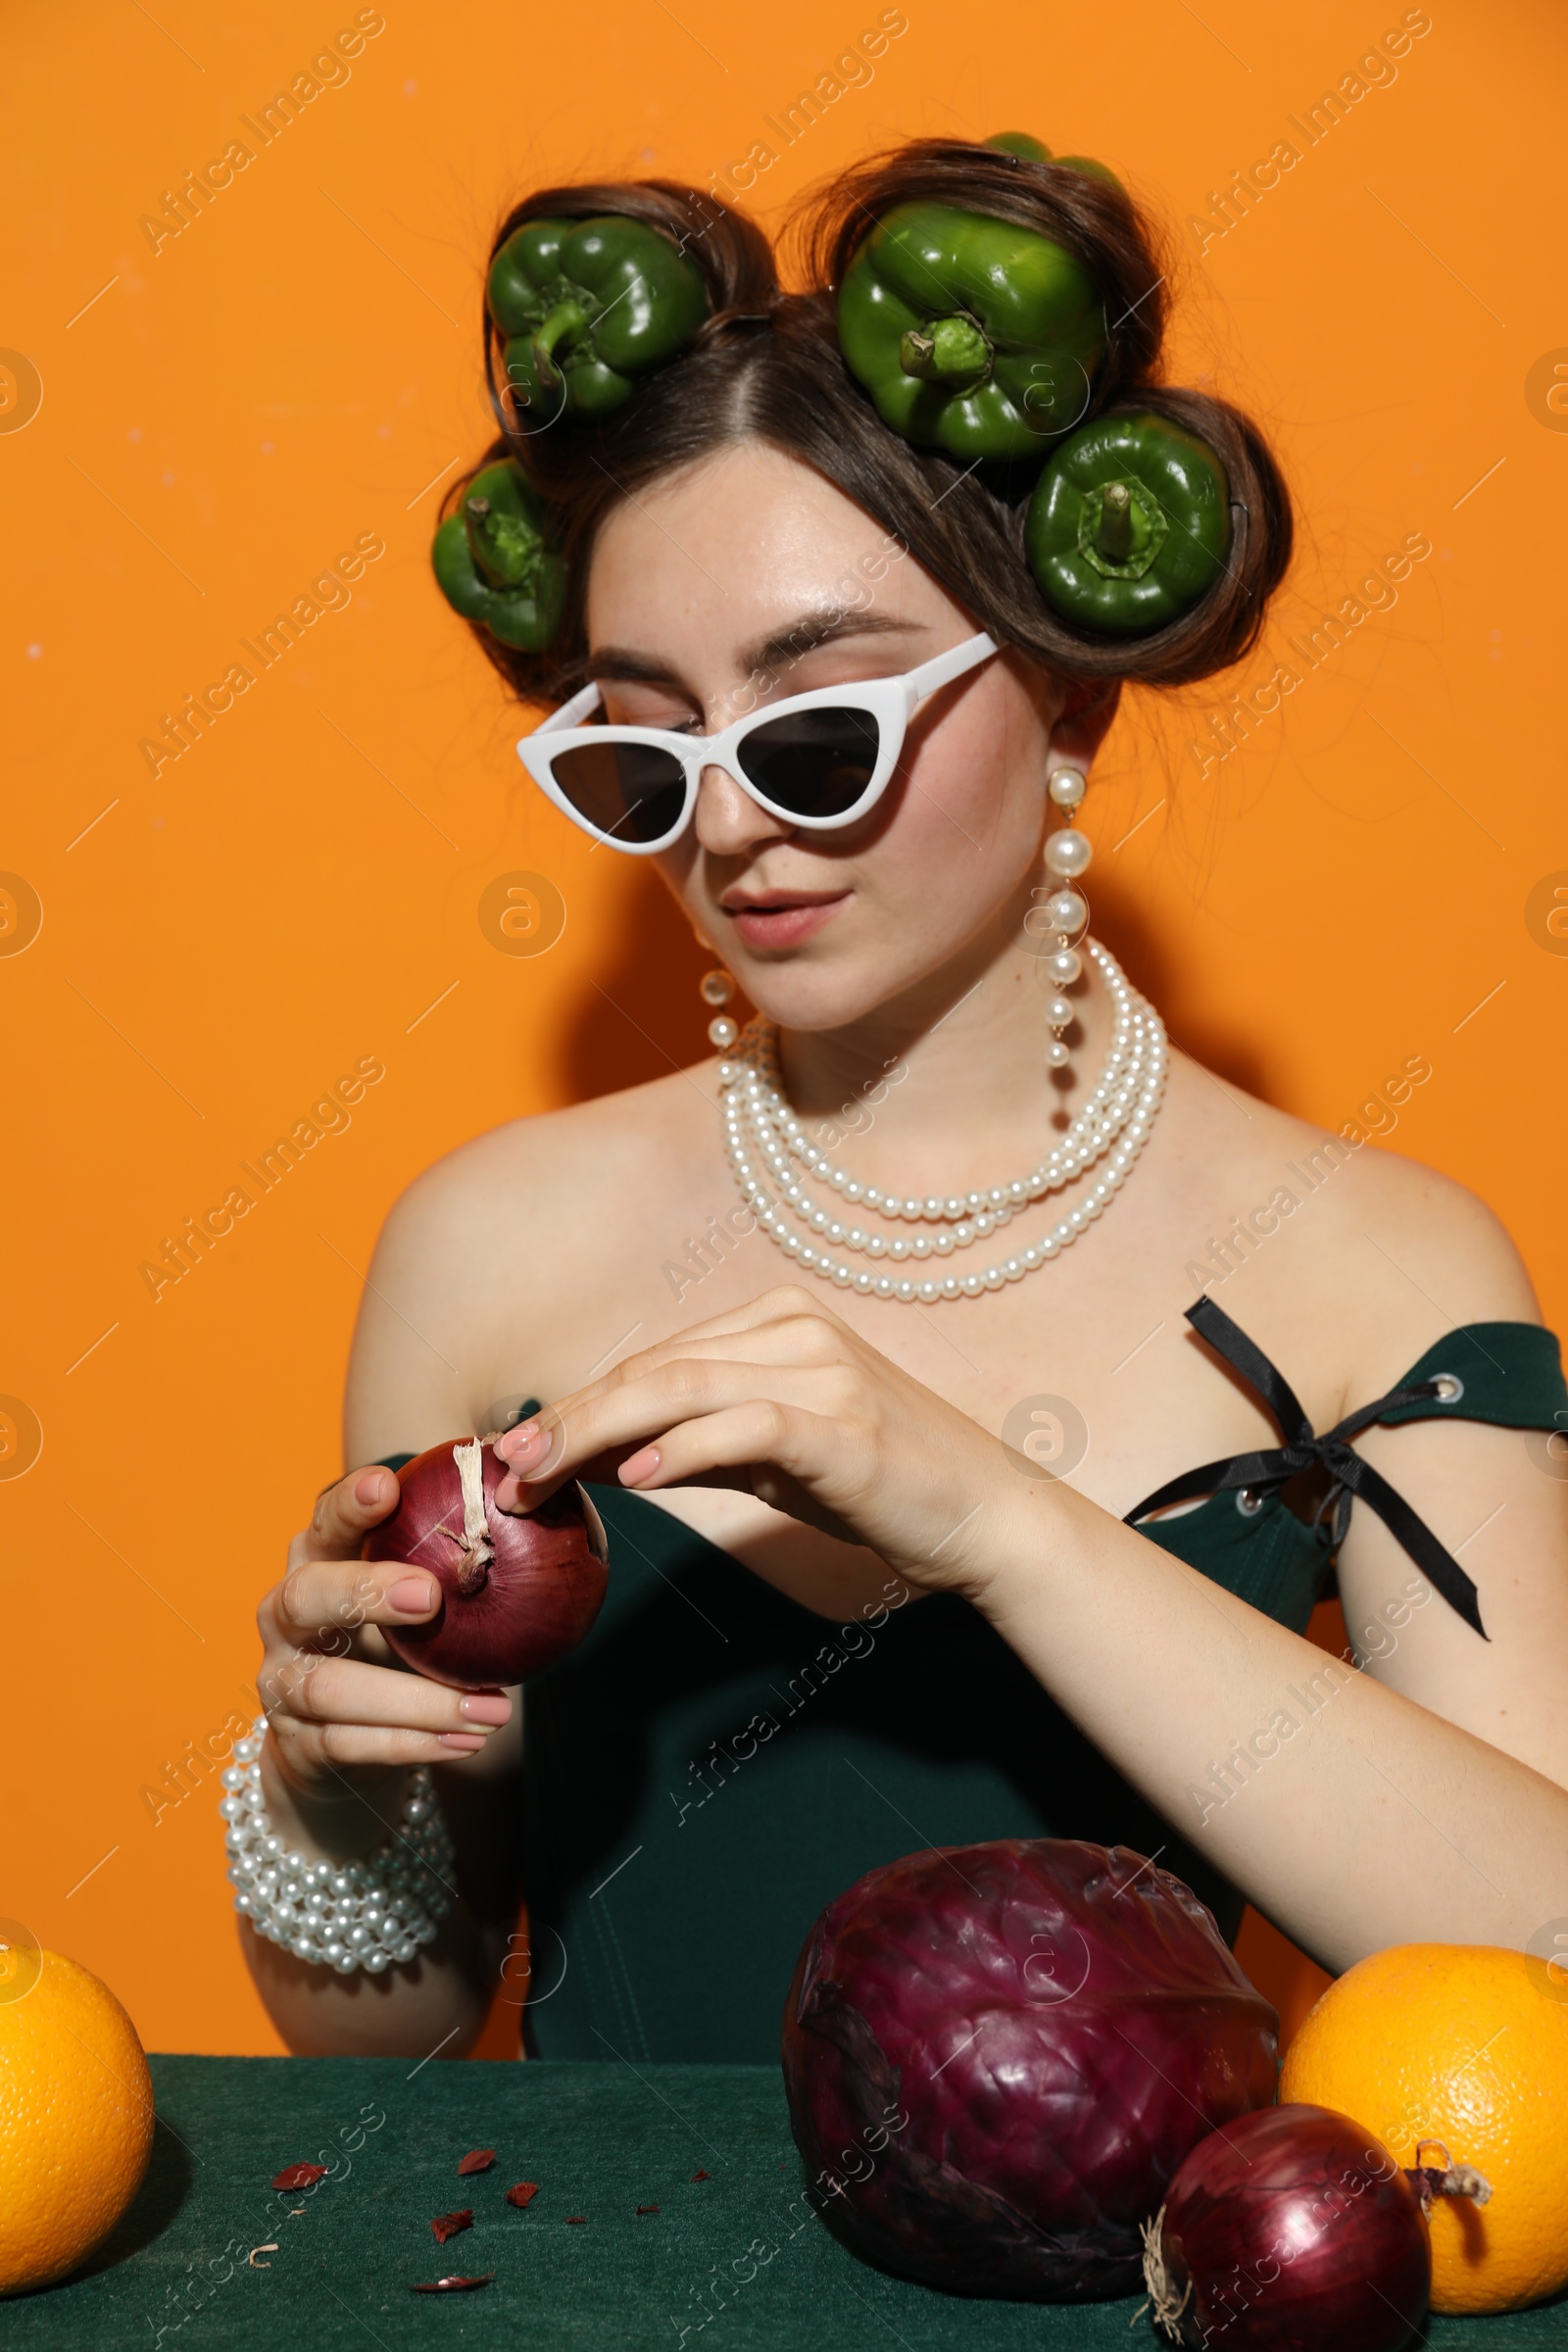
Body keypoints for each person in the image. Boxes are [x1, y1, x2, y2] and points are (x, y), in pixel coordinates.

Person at [234, 138, 1568, 2063]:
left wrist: (984, 1511)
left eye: (815, 722)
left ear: (1066, 688)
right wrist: (329, 1785)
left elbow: (1537, 1948)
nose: (728, 819)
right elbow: (395, 2047)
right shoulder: (488, 1242)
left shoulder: (1370, 1262)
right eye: (643, 747)